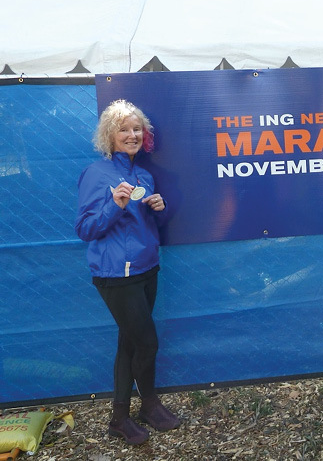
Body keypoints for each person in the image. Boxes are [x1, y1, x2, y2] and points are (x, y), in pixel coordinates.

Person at [75, 99, 180, 444]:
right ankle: (146, 404)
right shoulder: (97, 173)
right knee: (146, 342)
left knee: (129, 344)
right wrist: (114, 205)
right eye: (124, 129)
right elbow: (86, 229)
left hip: (147, 267)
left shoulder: (143, 175)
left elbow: (149, 225)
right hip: (115, 275)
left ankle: (123, 417)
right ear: (110, 135)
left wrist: (159, 208)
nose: (132, 135)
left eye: (137, 129)